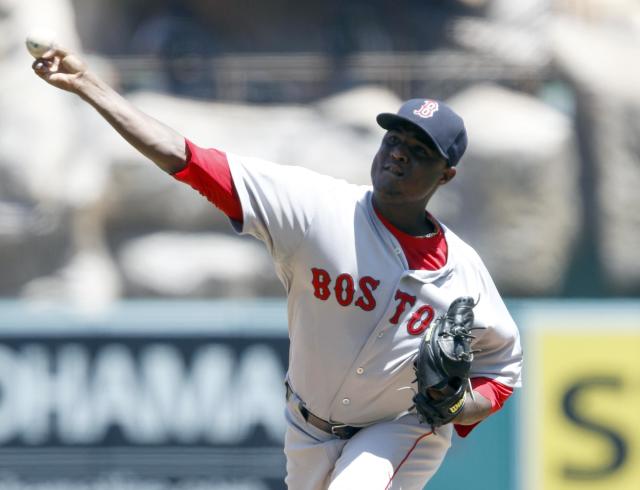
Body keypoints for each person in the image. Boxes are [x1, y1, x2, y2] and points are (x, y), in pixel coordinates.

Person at [32, 47, 522, 489]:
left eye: (418, 152)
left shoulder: (463, 275)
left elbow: (503, 372)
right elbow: (188, 159)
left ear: (446, 174)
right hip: (306, 425)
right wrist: (88, 86)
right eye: (394, 138)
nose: (398, 153)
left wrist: (457, 405)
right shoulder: (315, 209)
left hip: (398, 427)